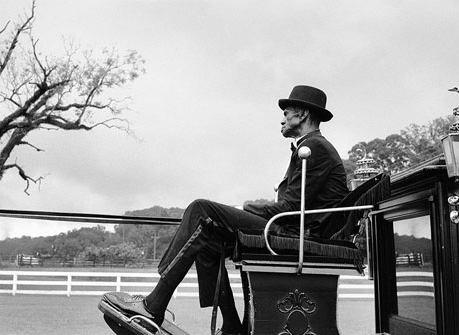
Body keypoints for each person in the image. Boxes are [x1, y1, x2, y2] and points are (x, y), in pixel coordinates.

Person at [101, 85, 349, 334]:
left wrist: (245, 207)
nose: (282, 118)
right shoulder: (312, 146)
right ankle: (231, 325)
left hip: (299, 236)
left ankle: (154, 304)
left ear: (303, 115)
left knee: (201, 210)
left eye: (286, 112)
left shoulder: (315, 148)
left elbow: (291, 207)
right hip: (293, 228)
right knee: (207, 238)